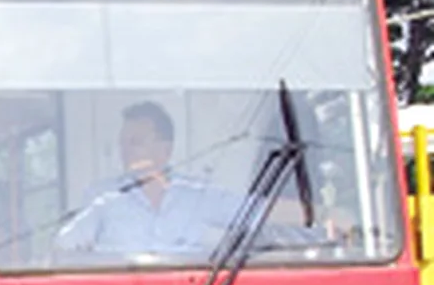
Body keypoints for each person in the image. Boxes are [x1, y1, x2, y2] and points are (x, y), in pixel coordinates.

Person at [55, 101, 346, 255]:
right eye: (123, 142)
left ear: (164, 148)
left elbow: (257, 210)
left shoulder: (195, 195)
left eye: (135, 142)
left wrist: (325, 213)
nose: (125, 150)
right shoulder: (103, 198)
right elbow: (64, 247)